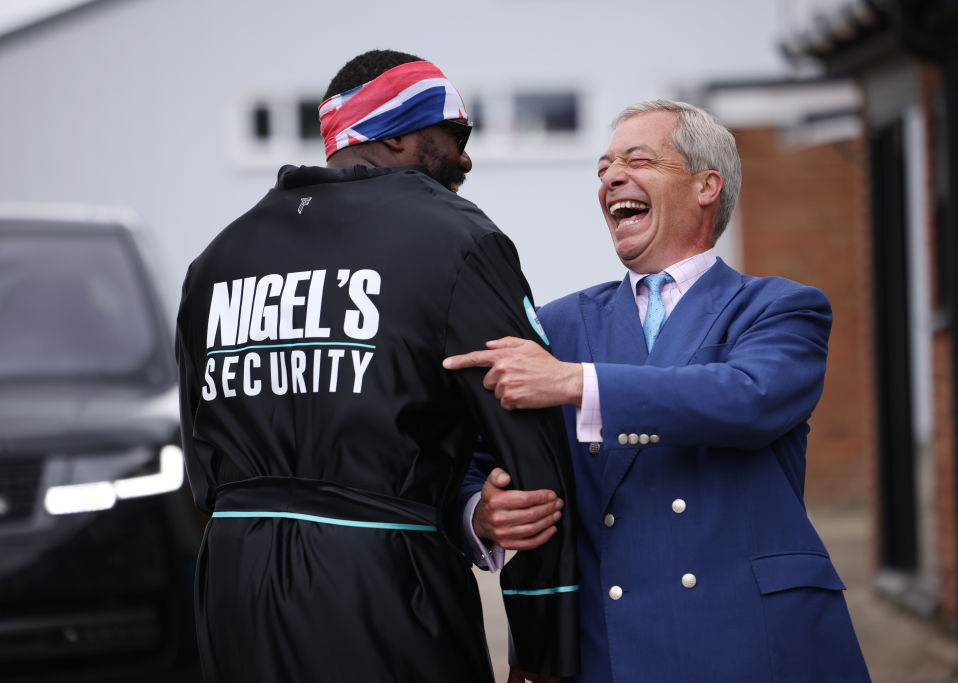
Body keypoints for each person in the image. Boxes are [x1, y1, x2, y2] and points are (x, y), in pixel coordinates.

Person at [175, 49, 578, 683]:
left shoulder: (215, 260)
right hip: (381, 584)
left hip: (234, 585)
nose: (466, 159)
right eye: (456, 135)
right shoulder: (458, 239)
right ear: (396, 135)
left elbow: (201, 474)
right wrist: (544, 648)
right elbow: (531, 457)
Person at [445, 100, 871, 682]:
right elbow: (469, 458)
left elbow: (748, 398)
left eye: (637, 160)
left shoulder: (779, 308)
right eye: (603, 168)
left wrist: (574, 381)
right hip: (606, 644)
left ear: (706, 186)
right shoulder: (554, 326)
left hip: (753, 636)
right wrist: (481, 512)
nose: (611, 178)